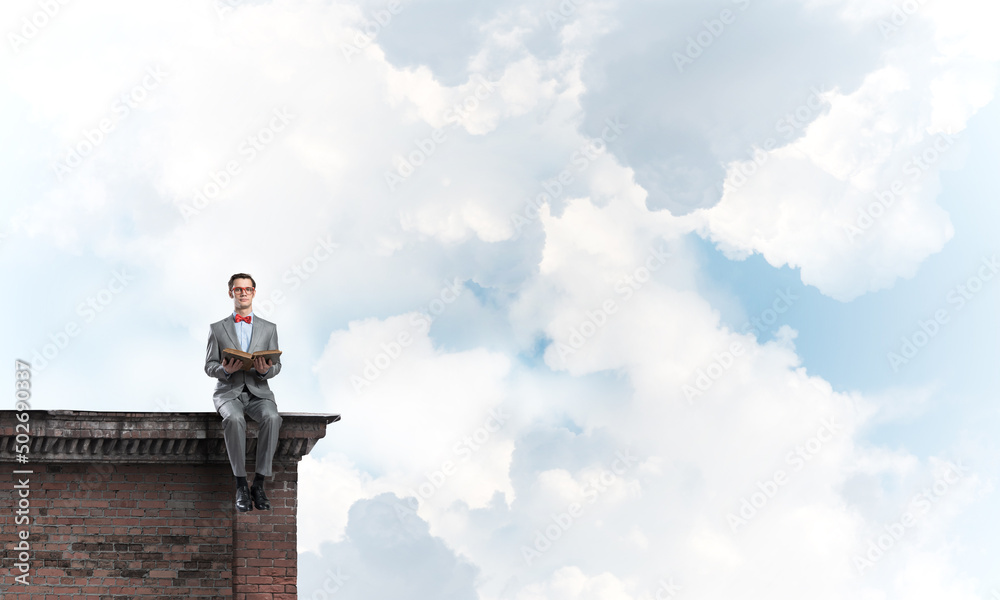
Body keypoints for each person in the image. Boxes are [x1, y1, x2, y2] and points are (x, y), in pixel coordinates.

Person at [204, 273, 283, 512]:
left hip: (259, 392)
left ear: (254, 292)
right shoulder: (217, 328)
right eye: (238, 289)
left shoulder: (269, 329)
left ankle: (258, 484)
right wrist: (224, 370)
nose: (243, 293)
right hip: (228, 392)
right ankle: (240, 485)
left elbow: (277, 365)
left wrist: (263, 371)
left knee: (272, 418)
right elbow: (209, 365)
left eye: (247, 289)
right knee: (234, 419)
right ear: (231, 293)